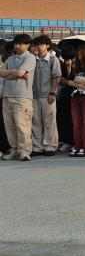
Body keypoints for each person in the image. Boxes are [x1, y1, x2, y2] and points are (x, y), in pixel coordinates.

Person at [0, 33, 36, 161]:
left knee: (22, 125)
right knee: (9, 125)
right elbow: (1, 72)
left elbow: (21, 73)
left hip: (22, 97)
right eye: (16, 44)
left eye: (20, 44)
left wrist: (10, 74)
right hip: (7, 96)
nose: (17, 46)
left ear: (28, 45)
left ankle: (24, 151)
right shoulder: (10, 59)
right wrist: (14, 73)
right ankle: (14, 149)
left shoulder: (30, 58)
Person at [29, 35, 61, 156]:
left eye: (41, 45)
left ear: (47, 46)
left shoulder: (53, 59)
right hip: (34, 95)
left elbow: (56, 77)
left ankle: (50, 146)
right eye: (37, 45)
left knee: (49, 121)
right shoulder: (32, 59)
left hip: (48, 95)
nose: (39, 47)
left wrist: (52, 93)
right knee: (35, 121)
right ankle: (37, 146)